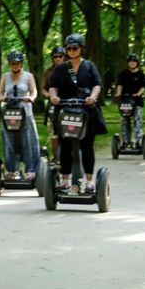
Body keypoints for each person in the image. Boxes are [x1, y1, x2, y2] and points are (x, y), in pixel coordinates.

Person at [47, 33, 105, 193]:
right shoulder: (61, 68)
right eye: (69, 48)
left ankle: (89, 181)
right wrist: (53, 97)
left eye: (75, 47)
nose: (72, 50)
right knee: (65, 146)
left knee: (87, 146)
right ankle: (65, 180)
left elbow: (97, 84)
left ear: (81, 48)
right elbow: (53, 85)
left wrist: (92, 97)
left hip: (86, 111)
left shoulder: (89, 66)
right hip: (66, 111)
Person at [0, 50, 40, 179]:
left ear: (21, 63)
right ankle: (12, 169)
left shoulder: (28, 76)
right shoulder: (5, 76)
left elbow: (34, 91)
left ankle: (30, 168)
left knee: (27, 139)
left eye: (17, 63)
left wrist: (30, 98)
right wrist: (2, 98)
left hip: (25, 111)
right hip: (9, 113)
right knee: (9, 140)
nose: (15, 65)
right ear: (10, 64)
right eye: (12, 63)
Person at [114, 53, 145, 146]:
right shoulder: (123, 73)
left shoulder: (140, 74)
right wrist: (118, 94)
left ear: (137, 63)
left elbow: (143, 87)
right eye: (130, 61)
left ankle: (138, 141)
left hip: (137, 101)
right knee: (124, 121)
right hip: (125, 101)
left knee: (138, 120)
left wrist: (138, 94)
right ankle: (125, 141)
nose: (132, 63)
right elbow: (120, 85)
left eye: (134, 61)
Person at [42, 46, 66, 161]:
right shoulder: (48, 72)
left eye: (60, 56)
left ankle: (68, 156)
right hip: (52, 105)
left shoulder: (69, 70)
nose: (58, 59)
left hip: (67, 104)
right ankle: (56, 157)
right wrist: (48, 95)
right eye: (55, 57)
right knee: (53, 133)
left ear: (64, 57)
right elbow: (43, 89)